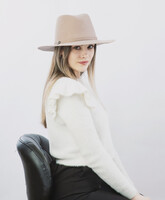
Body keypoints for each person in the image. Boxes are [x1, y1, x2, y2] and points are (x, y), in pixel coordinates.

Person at [38, 14, 151, 200]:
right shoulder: (67, 89)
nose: (85, 54)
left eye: (90, 46)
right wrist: (134, 197)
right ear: (61, 52)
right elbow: (95, 154)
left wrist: (134, 191)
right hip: (77, 189)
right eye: (77, 48)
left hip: (92, 182)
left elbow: (108, 150)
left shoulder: (79, 85)